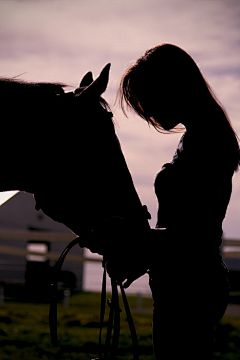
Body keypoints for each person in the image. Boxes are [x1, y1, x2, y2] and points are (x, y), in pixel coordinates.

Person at [118, 44, 240, 359]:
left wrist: (136, 241)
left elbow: (194, 234)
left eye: (148, 97)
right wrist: (145, 253)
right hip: (185, 282)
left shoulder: (206, 141)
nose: (146, 109)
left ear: (172, 87)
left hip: (190, 288)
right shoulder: (198, 138)